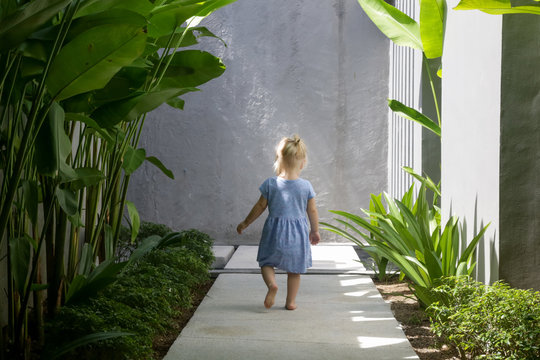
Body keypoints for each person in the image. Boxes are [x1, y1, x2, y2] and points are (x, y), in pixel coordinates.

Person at [237, 135, 320, 310]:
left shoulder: (270, 184)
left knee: (266, 262)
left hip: (274, 231)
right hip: (297, 233)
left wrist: (245, 223)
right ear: (302, 163)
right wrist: (315, 230)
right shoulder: (306, 186)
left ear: (278, 161)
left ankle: (272, 285)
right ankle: (290, 302)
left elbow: (259, 207)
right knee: (294, 270)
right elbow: (312, 210)